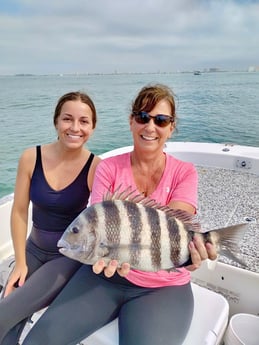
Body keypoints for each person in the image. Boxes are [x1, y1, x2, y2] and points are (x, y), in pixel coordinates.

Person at [22, 84, 217, 345]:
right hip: (105, 275)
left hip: (162, 288)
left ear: (171, 128)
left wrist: (189, 254)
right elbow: (99, 219)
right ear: (131, 121)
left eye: (160, 120)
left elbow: (176, 222)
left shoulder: (185, 172)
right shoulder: (109, 168)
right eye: (142, 117)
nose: (150, 127)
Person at [0, 91, 101, 345]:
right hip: (33, 250)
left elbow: (102, 219)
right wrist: (20, 263)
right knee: (8, 318)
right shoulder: (30, 157)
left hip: (67, 257)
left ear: (93, 127)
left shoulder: (95, 167)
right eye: (67, 119)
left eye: (84, 121)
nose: (75, 128)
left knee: (5, 313)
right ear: (56, 122)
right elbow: (20, 211)